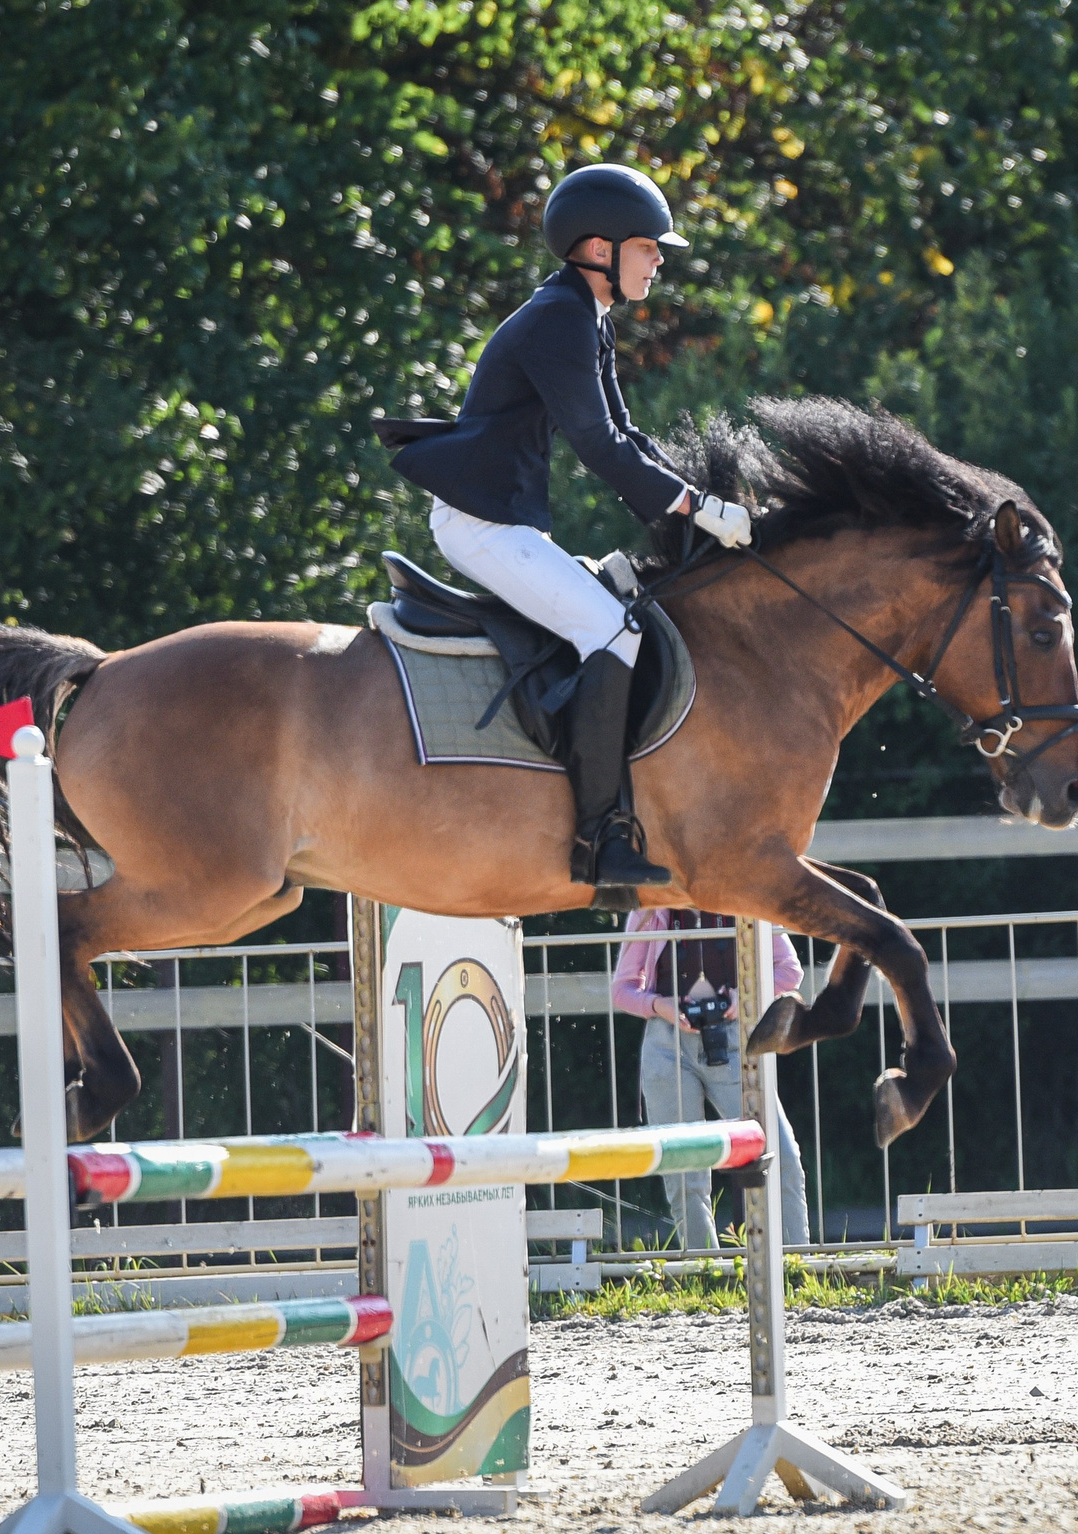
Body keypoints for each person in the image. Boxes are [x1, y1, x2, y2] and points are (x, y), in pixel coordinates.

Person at [379, 165, 755, 892]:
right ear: (598, 247)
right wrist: (691, 509)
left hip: (502, 516)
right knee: (614, 630)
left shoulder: (585, 315)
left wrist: (693, 502)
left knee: (611, 620)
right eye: (649, 246)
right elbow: (598, 447)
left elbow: (628, 433)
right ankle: (599, 839)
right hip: (482, 523)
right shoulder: (559, 319)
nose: (660, 260)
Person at [610, 908, 812, 1250]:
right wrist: (661, 1005)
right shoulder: (651, 906)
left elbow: (790, 970)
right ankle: (704, 1271)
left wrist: (742, 995)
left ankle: (798, 1265)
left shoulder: (742, 892)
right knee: (683, 1174)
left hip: (734, 1039)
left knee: (782, 1155)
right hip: (667, 1044)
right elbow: (622, 989)